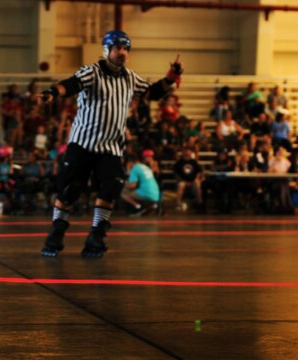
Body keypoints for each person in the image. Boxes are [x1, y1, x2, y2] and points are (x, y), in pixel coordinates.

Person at [37, 29, 182, 258]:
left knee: (112, 186)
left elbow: (153, 93)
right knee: (69, 191)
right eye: (118, 48)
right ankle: (56, 232)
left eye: (126, 48)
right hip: (83, 144)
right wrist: (52, 93)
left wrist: (169, 80)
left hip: (111, 147)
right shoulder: (92, 72)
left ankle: (96, 234)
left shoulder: (130, 77)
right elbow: (71, 84)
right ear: (107, 50)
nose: (122, 52)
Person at [173, 146, 203, 211]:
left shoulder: (194, 162)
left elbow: (198, 172)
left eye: (189, 151)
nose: (187, 152)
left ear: (191, 152)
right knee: (181, 185)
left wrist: (196, 179)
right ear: (183, 152)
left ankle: (200, 203)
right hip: (183, 181)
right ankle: (178, 204)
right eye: (186, 150)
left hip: (193, 181)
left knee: (198, 183)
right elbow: (176, 173)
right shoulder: (179, 162)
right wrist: (182, 180)